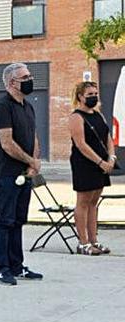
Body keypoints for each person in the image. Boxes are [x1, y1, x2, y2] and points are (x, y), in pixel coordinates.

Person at [0, 63, 44, 286]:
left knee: (19, 220)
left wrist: (34, 163)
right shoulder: (3, 106)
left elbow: (33, 137)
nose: (30, 79)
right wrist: (30, 160)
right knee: (5, 220)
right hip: (7, 173)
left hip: (25, 172)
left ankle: (16, 265)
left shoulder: (27, 106)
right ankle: (1, 268)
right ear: (12, 82)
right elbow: (6, 143)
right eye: (25, 76)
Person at [68, 81, 115, 255]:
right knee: (83, 202)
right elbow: (81, 144)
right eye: (89, 95)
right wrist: (100, 162)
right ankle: (83, 242)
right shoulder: (76, 117)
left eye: (95, 93)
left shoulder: (98, 115)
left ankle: (94, 240)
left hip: (102, 163)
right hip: (85, 164)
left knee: (94, 202)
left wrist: (111, 158)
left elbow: (107, 137)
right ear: (80, 97)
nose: (93, 97)